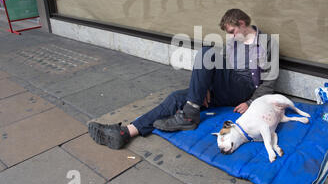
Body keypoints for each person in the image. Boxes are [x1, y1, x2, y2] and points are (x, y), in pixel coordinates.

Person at [88, 8, 278, 150]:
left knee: (208, 52)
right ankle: (126, 132)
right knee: (176, 98)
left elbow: (270, 81)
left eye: (232, 31)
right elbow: (222, 71)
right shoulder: (233, 43)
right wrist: (205, 90)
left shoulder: (268, 43)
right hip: (228, 88)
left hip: (244, 89)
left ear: (243, 23)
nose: (230, 36)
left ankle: (189, 113)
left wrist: (250, 102)